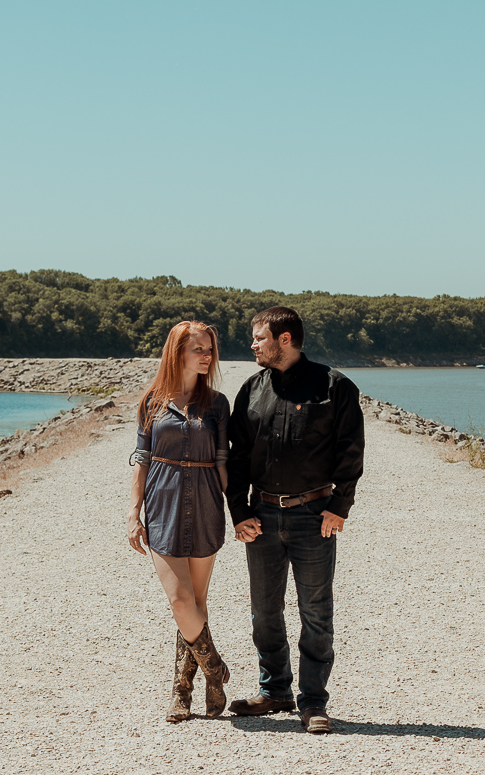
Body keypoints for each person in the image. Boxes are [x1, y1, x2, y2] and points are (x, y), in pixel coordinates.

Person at [225, 306, 364, 734]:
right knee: (264, 613)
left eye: (259, 338)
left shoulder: (335, 387)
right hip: (262, 516)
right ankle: (275, 691)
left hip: (313, 516)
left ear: (284, 339)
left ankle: (314, 702)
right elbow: (238, 457)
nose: (253, 345)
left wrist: (340, 507)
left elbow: (350, 451)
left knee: (316, 613)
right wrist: (240, 511)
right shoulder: (251, 389)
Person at [127, 320, 234, 723]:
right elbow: (141, 461)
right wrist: (133, 515)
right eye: (198, 349)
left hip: (206, 502)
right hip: (163, 505)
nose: (207, 356)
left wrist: (239, 512)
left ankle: (182, 692)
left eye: (210, 349)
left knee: (197, 604)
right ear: (178, 352)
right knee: (179, 600)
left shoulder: (219, 404)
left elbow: (225, 465)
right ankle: (214, 669)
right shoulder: (151, 402)